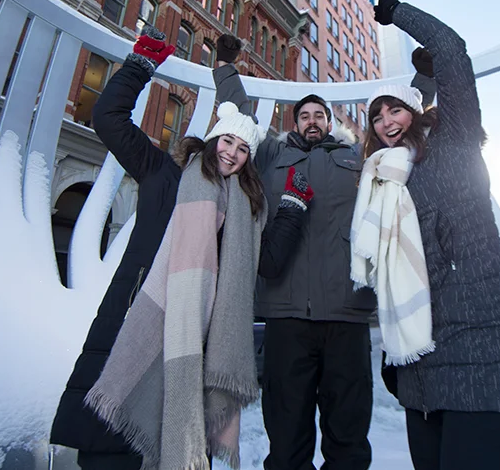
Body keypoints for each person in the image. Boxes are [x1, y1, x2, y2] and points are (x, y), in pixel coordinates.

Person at [50, 26, 314, 470]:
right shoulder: (164, 175)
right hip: (131, 325)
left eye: (243, 149)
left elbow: (268, 262)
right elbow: (109, 119)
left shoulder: (246, 212)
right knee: (107, 454)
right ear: (213, 139)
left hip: (200, 349)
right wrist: (140, 65)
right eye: (227, 141)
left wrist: (290, 208)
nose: (232, 154)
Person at [358, 0, 500, 470]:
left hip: (485, 360)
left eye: (394, 110)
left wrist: (398, 14)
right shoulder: (383, 185)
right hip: (424, 372)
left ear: (416, 112)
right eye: (376, 118)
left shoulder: (455, 141)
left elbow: (452, 49)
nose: (386, 123)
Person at [213, 34, 376, 470]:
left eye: (318, 115)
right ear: (294, 122)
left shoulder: (357, 159)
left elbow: (402, 137)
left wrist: (424, 85)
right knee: (286, 433)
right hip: (286, 315)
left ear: (329, 121)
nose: (311, 120)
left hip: (346, 313)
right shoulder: (270, 155)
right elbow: (240, 118)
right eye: (303, 115)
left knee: (349, 433)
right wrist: (226, 68)